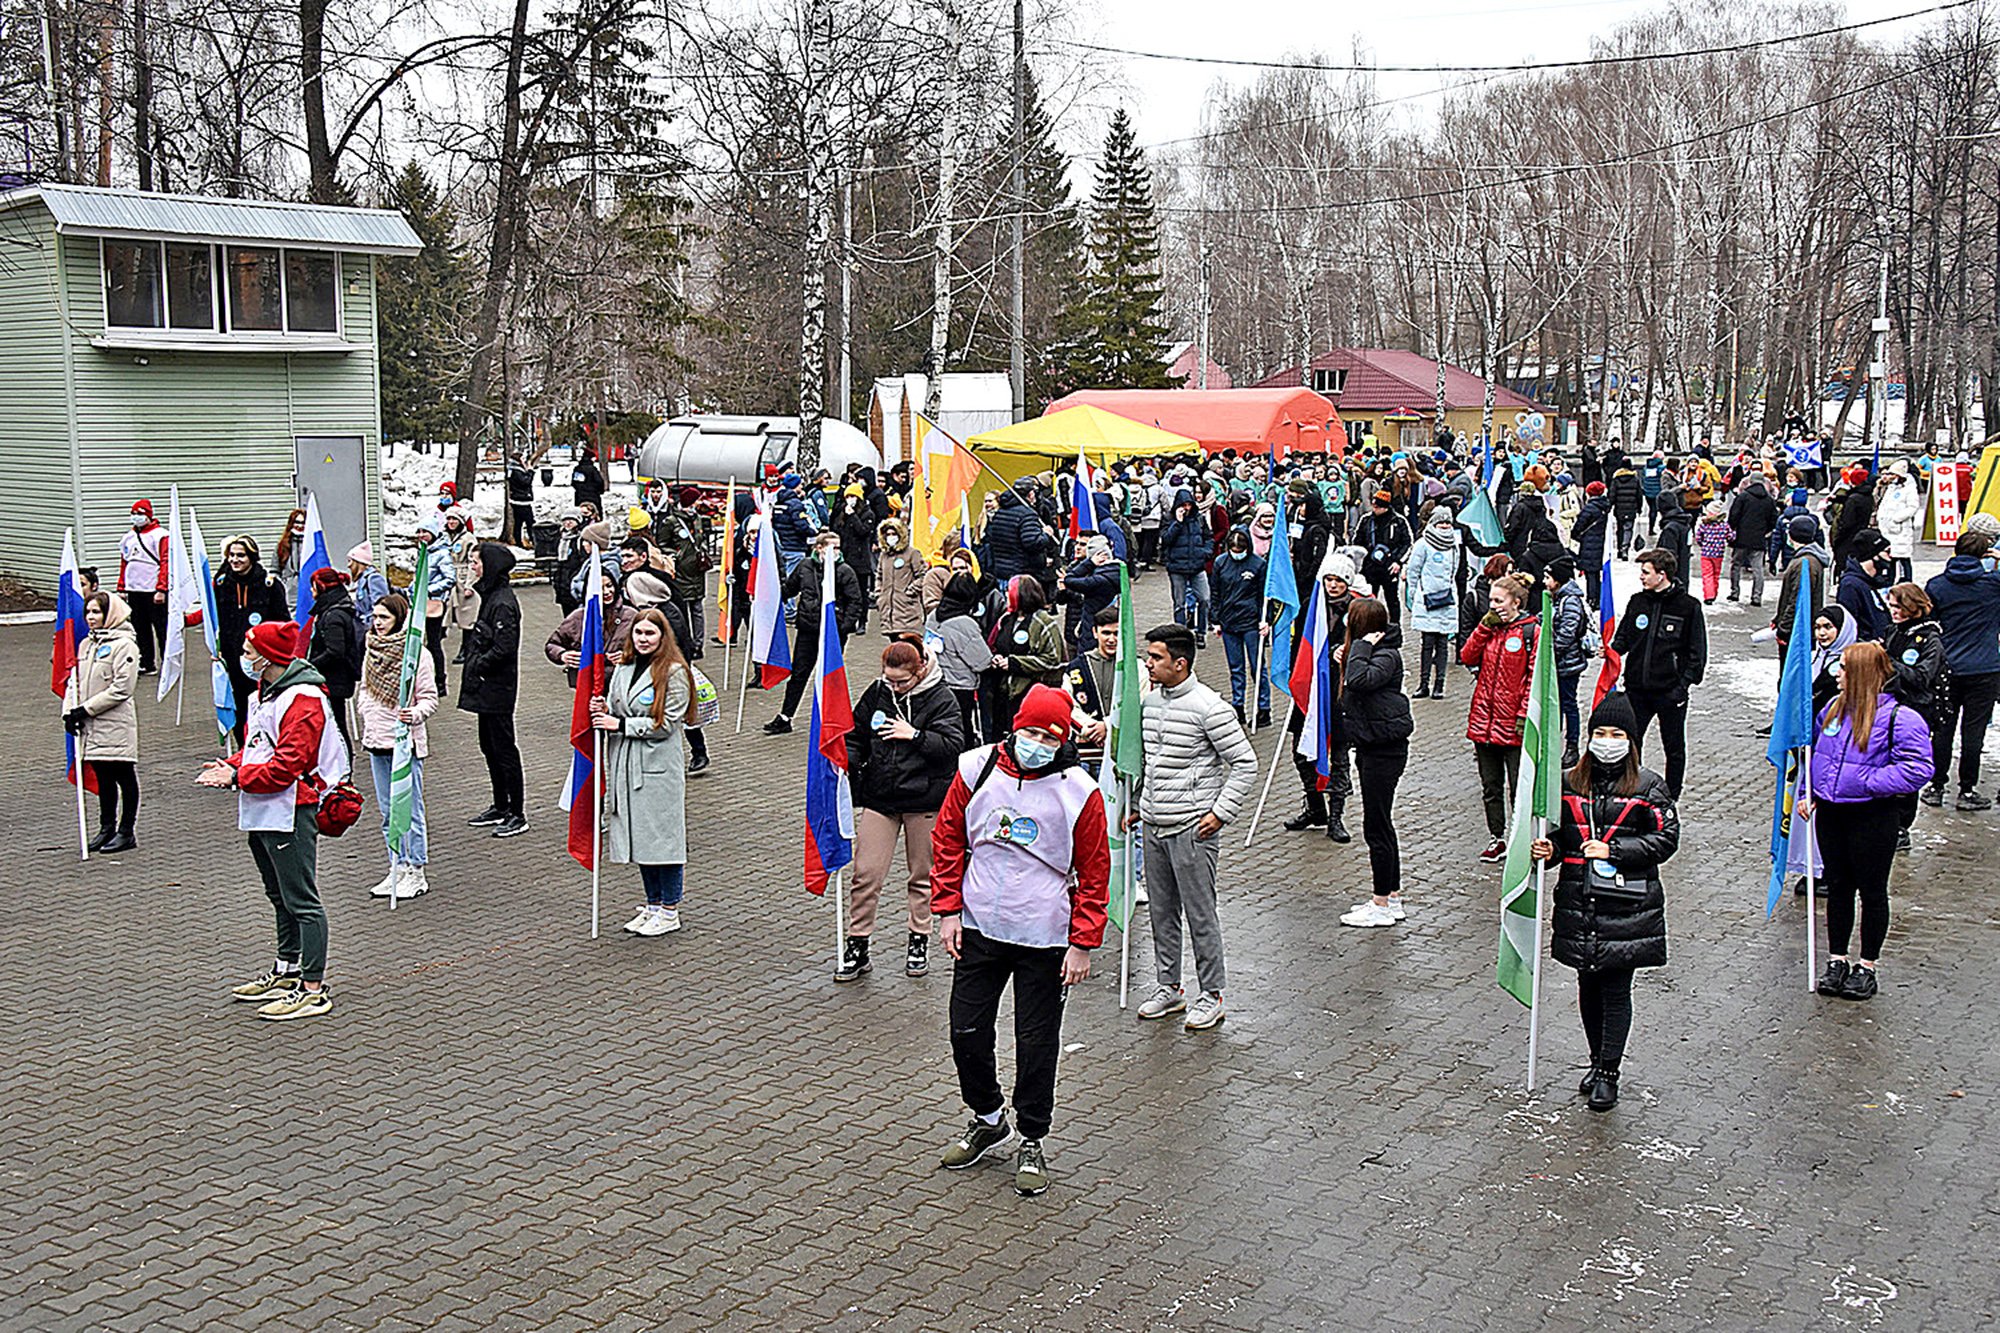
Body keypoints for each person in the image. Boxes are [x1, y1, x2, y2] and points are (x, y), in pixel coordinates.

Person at [931, 685, 1108, 1197]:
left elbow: (1096, 872)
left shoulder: (1079, 790)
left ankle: (1032, 1136)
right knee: (966, 1030)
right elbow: (948, 839)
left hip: (1044, 937)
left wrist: (1083, 943)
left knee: (1035, 1043)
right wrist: (947, 912)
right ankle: (987, 1117)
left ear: (1063, 740)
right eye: (1030, 733)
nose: (1037, 744)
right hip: (979, 927)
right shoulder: (974, 768)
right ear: (1015, 727)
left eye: (1049, 738)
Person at [1528, 691, 1680, 1112]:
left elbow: (1666, 839)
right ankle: (1595, 1060)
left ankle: (1609, 1072)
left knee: (1615, 989)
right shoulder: (1567, 782)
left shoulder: (1649, 786)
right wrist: (1550, 851)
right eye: (1600, 732)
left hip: (1627, 906)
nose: (1606, 740)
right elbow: (1561, 838)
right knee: (1587, 986)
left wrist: (1614, 851)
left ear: (1630, 740)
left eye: (1615, 733)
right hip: (1580, 902)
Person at [202, 622, 345, 1021]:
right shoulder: (266, 693)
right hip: (263, 807)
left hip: (290, 809)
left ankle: (313, 987)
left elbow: (287, 766)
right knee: (279, 895)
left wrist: (236, 776)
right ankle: (287, 968)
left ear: (267, 657)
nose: (243, 656)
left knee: (302, 899)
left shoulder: (302, 698)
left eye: (249, 650)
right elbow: (259, 749)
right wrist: (233, 765)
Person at [1131, 624, 1259, 1033]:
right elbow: (1147, 762)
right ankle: (1169, 987)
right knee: (1161, 912)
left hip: (1192, 828)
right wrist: (1137, 805)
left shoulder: (1210, 707)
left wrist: (1220, 812)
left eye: (1156, 658)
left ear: (1180, 663)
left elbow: (1245, 763)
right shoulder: (1150, 703)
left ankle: (1212, 994)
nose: (1148, 664)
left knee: (1200, 914)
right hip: (1153, 823)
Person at [1806, 643, 1934, 1002]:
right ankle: (1837, 959)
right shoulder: (1833, 709)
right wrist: (1809, 789)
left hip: (1872, 815)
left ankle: (1867, 964)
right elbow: (1815, 752)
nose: (1837, 673)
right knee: (1838, 886)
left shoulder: (1901, 718)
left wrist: (1868, 783)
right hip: (1832, 813)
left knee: (1872, 891)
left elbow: (1919, 768)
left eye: (1844, 668)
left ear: (1862, 673)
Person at [843, 640, 964, 981]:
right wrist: (847, 762)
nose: (894, 687)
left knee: (922, 876)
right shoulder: (879, 692)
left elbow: (954, 747)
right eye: (889, 680)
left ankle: (918, 939)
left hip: (924, 801)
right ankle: (858, 942)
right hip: (881, 798)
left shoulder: (942, 698)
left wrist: (915, 736)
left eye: (902, 682)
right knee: (865, 873)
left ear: (920, 670)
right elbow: (856, 733)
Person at [595, 608, 700, 937]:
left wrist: (621, 724)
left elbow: (666, 723)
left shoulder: (674, 672)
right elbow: (615, 705)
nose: (642, 640)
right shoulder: (624, 669)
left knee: (662, 840)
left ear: (662, 636)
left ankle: (670, 908)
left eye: (649, 634)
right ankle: (652, 904)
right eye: (638, 634)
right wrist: (603, 711)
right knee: (640, 836)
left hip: (656, 768)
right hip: (626, 765)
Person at [1336, 598, 1414, 928]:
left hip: (1384, 751)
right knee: (1381, 824)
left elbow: (1359, 681)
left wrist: (1357, 652)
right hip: (1371, 746)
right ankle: (1391, 895)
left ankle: (1381, 901)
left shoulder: (1385, 654)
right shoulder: (1370, 652)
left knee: (1376, 826)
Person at [355, 594, 437, 901]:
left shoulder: (417, 655)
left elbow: (429, 697)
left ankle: (416, 869)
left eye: (384, 618)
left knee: (409, 809)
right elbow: (364, 688)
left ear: (399, 619)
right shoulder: (371, 651)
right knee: (389, 810)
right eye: (374, 617)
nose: (377, 623)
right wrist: (366, 709)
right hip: (377, 740)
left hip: (404, 743)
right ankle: (397, 864)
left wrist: (413, 714)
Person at [1610, 549, 1706, 799]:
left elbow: (1697, 653)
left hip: (1669, 691)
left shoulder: (1688, 607)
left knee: (1673, 746)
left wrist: (1682, 685)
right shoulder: (1637, 601)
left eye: (1645, 572)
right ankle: (1631, 786)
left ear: (1662, 575)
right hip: (1637, 689)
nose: (1641, 577)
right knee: (1631, 741)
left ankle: (1672, 794)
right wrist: (1610, 650)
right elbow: (1624, 638)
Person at [1283, 552, 1361, 840]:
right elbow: (1299, 646)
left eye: (1338, 580)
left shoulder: (1356, 610)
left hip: (1339, 693)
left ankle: (1337, 817)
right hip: (1311, 690)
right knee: (1301, 752)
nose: (1332, 585)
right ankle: (1315, 808)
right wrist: (1296, 677)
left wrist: (1346, 654)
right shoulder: (1310, 607)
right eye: (1328, 579)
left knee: (1339, 756)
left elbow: (1368, 646)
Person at [1462, 572, 1538, 863]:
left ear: (1516, 602)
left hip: (1513, 723)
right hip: (1485, 722)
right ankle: (1497, 837)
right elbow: (1467, 656)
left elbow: (1532, 679)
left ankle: (1522, 838)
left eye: (1498, 600)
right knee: (1490, 786)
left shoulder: (1531, 631)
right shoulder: (1490, 629)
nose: (1492, 606)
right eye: (1491, 600)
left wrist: (1522, 715)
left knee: (1518, 787)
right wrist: (1483, 628)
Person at [1922, 529, 2000, 811]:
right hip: (1985, 666)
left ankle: (1936, 785)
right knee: (1974, 731)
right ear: (1983, 555)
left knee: (1943, 728)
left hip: (1948, 666)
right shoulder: (1993, 585)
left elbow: (1931, 620)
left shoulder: (1937, 585)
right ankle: (1967, 789)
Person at [62, 591, 141, 853]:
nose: (91, 617)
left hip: (113, 722)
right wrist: (69, 711)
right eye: (88, 612)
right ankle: (106, 827)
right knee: (103, 779)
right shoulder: (86, 644)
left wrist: (85, 709)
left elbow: (122, 688)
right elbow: (74, 680)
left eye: (97, 612)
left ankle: (126, 831)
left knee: (123, 776)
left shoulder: (125, 644)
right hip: (89, 724)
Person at [765, 530, 864, 734]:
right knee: (799, 674)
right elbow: (789, 589)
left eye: (838, 547)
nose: (837, 551)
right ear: (819, 548)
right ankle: (785, 717)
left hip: (832, 634)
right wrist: (767, 594)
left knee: (831, 675)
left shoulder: (845, 571)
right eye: (832, 547)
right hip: (808, 630)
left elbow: (855, 602)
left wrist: (843, 628)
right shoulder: (805, 567)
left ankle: (832, 718)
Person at [460, 542, 528, 837]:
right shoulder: (490, 597)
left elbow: (504, 648)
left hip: (498, 688)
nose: (473, 567)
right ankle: (500, 805)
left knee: (504, 749)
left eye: (476, 562)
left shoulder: (502, 603)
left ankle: (517, 812)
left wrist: (477, 664)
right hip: (486, 688)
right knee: (488, 746)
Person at [1882, 582, 1946, 849]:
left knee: (1906, 767)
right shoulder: (1892, 631)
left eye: (1898, 606)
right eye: (1892, 606)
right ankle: (1887, 820)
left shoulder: (1930, 639)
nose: (1893, 611)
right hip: (1889, 709)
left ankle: (1902, 826)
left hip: (1916, 712)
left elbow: (1922, 677)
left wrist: (1886, 662)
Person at [213, 535, 292, 746]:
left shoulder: (270, 585)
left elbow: (283, 623)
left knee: (263, 704)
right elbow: (213, 616)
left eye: (241, 555)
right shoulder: (221, 584)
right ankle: (243, 748)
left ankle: (267, 745)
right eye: (231, 555)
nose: (235, 560)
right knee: (239, 706)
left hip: (263, 660)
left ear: (252, 557)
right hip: (233, 657)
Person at [986, 573, 1066, 725]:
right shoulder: (1006, 619)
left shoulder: (1044, 622)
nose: (1006, 595)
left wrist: (1015, 663)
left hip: (1031, 693)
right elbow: (996, 646)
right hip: (1004, 691)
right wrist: (996, 658)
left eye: (1010, 592)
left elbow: (1054, 659)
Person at [1211, 526, 1271, 726]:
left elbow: (1264, 595)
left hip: (1251, 623)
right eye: (1233, 551)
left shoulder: (1258, 564)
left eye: (1240, 551)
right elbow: (1216, 593)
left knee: (1257, 667)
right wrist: (1215, 620)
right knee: (1236, 669)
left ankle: (1263, 708)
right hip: (1229, 623)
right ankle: (1238, 706)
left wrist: (1266, 620)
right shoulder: (1221, 563)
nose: (1237, 554)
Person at [929, 572, 991, 747]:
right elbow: (982, 661)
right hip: (960, 685)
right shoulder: (965, 624)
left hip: (937, 681)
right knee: (963, 726)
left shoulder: (934, 615)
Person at [305, 567, 361, 748]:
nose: (311, 591)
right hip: (334, 679)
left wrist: (310, 665)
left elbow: (335, 651)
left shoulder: (333, 615)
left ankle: (344, 764)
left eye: (313, 587)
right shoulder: (333, 609)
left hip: (334, 680)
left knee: (337, 726)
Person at [1407, 508, 1460, 699]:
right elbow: (1414, 569)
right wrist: (1413, 593)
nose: (1445, 526)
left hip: (1446, 599)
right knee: (1427, 644)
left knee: (1443, 645)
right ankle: (1423, 684)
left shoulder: (1454, 544)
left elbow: (1455, 570)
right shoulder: (1422, 544)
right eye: (1441, 522)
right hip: (1426, 599)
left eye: (1448, 522)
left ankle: (1439, 685)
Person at [1546, 557, 1593, 768]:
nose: (1544, 581)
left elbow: (1567, 632)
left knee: (1568, 704)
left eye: (1548, 577)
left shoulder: (1570, 600)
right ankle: (1554, 744)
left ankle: (1572, 746)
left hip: (1567, 663)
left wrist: (1551, 653)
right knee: (1557, 705)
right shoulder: (1556, 597)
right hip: (1560, 662)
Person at [118, 498, 170, 674]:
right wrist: (122, 587)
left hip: (153, 590)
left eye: (139, 514)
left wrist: (161, 588)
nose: (136, 517)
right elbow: (124, 562)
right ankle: (146, 662)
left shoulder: (161, 535)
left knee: (161, 628)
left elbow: (165, 561)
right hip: (135, 589)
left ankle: (168, 662)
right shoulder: (128, 537)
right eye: (133, 514)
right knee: (140, 628)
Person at [1353, 489, 1414, 625]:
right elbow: (1357, 542)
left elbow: (1407, 543)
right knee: (1368, 599)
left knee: (1392, 600)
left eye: (1377, 506)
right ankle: (1367, 626)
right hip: (1370, 567)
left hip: (1390, 567)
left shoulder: (1398, 521)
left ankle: (1395, 628)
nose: (1374, 509)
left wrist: (1398, 561)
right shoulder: (1366, 520)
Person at [1161, 488, 1214, 644]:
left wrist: (1205, 552)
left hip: (1197, 566)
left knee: (1204, 599)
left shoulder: (1200, 519)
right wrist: (1177, 523)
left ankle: (1201, 632)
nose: (1186, 508)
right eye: (1183, 504)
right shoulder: (1168, 518)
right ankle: (1181, 633)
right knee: (1179, 603)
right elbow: (1166, 540)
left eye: (1189, 504)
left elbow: (1208, 537)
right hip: (1177, 567)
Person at [414, 518, 456, 696]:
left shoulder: (441, 553)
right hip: (420, 602)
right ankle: (424, 678)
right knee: (419, 641)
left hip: (434, 604)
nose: (421, 535)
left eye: (425, 531)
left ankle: (440, 681)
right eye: (419, 532)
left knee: (434, 642)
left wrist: (427, 590)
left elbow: (449, 579)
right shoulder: (423, 552)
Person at [1726, 474, 1778, 605]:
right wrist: (1765, 531)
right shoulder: (1769, 500)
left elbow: (1733, 516)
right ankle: (1756, 596)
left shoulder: (1743, 497)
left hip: (1741, 537)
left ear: (1750, 482)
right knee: (1758, 568)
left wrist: (1734, 528)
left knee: (1736, 565)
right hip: (1759, 538)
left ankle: (1734, 592)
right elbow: (1773, 519)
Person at [875, 518, 929, 639]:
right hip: (888, 611)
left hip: (907, 610)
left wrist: (910, 591)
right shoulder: (884, 555)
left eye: (894, 534)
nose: (890, 537)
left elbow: (922, 575)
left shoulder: (912, 553)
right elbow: (879, 576)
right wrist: (879, 594)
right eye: (888, 534)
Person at [1836, 529, 1893, 643]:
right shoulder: (1850, 585)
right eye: (1887, 551)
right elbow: (1849, 624)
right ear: (1874, 555)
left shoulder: (1874, 580)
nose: (1891, 556)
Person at [1875, 462, 1920, 583]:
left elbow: (1913, 507)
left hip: (1900, 529)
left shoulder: (1909, 489)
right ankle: (1890, 580)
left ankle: (1906, 580)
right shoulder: (1891, 488)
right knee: (1890, 558)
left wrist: (1896, 518)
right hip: (1887, 529)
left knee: (1903, 557)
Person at [1810, 606, 1858, 717]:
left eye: (1828, 627)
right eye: (1817, 627)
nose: (1821, 633)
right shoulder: (1813, 656)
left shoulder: (1855, 660)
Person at [1693, 501, 1732, 605]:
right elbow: (1730, 537)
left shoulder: (1704, 525)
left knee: (1707, 574)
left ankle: (1708, 595)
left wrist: (1703, 545)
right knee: (1716, 574)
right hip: (1718, 553)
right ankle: (1714, 593)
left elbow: (1698, 537)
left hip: (1706, 553)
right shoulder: (1724, 525)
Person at [347, 542, 390, 624]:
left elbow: (380, 606)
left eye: (350, 561)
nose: (348, 566)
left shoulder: (374, 578)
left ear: (358, 562)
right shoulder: (361, 581)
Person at [273, 507, 308, 606]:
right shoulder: (282, 545)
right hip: (288, 589)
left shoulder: (311, 544)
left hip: (308, 588)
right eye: (297, 522)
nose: (300, 526)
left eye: (303, 523)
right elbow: (274, 569)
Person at [1608, 463, 1644, 558]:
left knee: (1620, 528)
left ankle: (1620, 549)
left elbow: (1612, 494)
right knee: (1628, 528)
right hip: (1631, 508)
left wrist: (1610, 505)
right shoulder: (1635, 480)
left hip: (1619, 509)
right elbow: (1639, 495)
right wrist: (1640, 508)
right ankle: (1625, 548)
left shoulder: (1616, 479)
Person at [505, 451, 537, 546]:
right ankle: (532, 540)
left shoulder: (512, 470)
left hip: (516, 499)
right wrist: (530, 471)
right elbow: (526, 482)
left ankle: (518, 540)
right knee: (529, 522)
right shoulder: (517, 471)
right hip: (522, 500)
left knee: (518, 522)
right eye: (522, 459)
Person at [571, 445, 606, 513]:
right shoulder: (593, 470)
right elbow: (599, 482)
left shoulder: (577, 469)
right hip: (593, 497)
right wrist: (600, 491)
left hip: (580, 496)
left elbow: (574, 483)